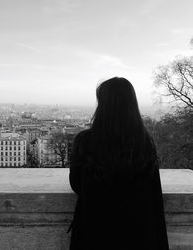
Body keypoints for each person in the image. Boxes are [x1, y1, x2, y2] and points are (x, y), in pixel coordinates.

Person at [68, 77, 169, 250]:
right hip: (138, 234)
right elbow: (153, 192)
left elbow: (76, 183)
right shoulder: (145, 142)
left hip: (95, 231)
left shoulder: (85, 140)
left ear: (102, 105)